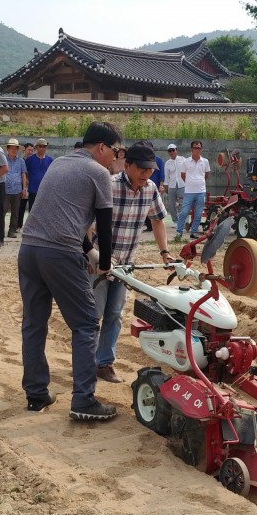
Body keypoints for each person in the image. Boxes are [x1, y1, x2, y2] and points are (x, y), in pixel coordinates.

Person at [18, 121, 121, 422]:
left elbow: (63, 212)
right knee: (87, 323)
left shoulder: (60, 163)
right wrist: (104, 265)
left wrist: (88, 250)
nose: (115, 159)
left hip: (29, 250)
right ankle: (84, 401)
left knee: (34, 323)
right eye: (114, 152)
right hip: (60, 254)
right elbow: (104, 223)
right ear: (101, 147)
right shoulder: (100, 173)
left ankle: (36, 395)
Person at [92, 142, 172, 383]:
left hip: (125, 266)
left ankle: (104, 363)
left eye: (150, 171)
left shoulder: (150, 189)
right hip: (98, 262)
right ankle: (86, 362)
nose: (146, 175)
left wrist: (165, 253)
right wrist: (89, 255)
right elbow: (87, 221)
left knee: (115, 315)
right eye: (141, 170)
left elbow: (158, 221)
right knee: (93, 316)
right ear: (127, 166)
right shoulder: (109, 185)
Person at [176, 140, 210, 240]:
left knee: (199, 214)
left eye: (199, 148)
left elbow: (206, 175)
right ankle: (179, 233)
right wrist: (190, 183)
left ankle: (194, 232)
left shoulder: (205, 162)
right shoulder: (185, 162)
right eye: (195, 148)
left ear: (201, 150)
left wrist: (199, 181)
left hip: (201, 192)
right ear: (191, 149)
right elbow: (183, 175)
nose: (197, 150)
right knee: (184, 212)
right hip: (189, 192)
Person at [23, 138, 54, 223]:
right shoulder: (29, 159)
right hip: (33, 188)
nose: (42, 148)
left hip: (45, 189)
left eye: (44, 146)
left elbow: (52, 174)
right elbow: (25, 173)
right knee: (32, 209)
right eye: (40, 146)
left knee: (44, 209)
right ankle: (31, 225)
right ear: (36, 147)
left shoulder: (50, 160)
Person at [3, 138, 28, 238]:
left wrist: (24, 188)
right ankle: (0, 230)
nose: (14, 150)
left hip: (17, 190)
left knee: (15, 212)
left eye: (16, 148)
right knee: (2, 211)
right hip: (5, 189)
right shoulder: (3, 159)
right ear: (7, 149)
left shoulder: (21, 161)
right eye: (12, 148)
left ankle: (12, 231)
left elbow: (23, 175)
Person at [142, 150, 166, 232]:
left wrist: (161, 185)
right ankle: (149, 226)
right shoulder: (142, 160)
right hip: (143, 185)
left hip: (154, 187)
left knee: (154, 209)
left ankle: (154, 226)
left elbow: (162, 174)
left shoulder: (159, 160)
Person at [162, 143, 185, 224]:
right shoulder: (167, 163)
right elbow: (166, 176)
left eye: (173, 150)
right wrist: (166, 186)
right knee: (172, 205)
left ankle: (183, 221)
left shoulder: (183, 160)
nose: (172, 152)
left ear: (176, 150)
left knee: (182, 204)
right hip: (171, 185)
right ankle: (175, 221)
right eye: (170, 151)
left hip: (182, 185)